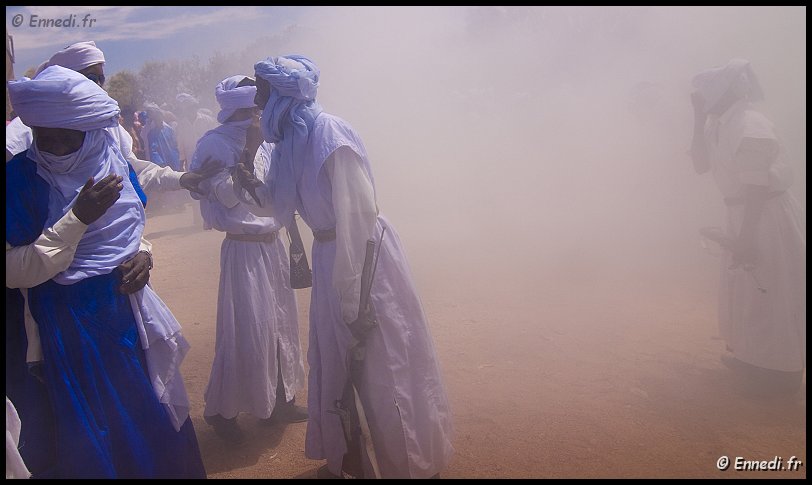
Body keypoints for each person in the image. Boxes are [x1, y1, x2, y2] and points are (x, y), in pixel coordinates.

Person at [230, 55, 454, 478]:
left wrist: (354, 296)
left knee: (386, 368)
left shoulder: (329, 132)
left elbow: (358, 216)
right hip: (332, 257)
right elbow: (278, 205)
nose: (257, 100)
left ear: (281, 91)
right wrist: (248, 180)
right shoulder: (291, 140)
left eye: (261, 89)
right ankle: (351, 461)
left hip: (365, 261)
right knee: (337, 364)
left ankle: (413, 466)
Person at [6, 65, 206, 478]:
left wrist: (144, 255)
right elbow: (14, 271)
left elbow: (130, 229)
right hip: (65, 330)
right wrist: (76, 219)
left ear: (91, 133)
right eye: (46, 138)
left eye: (67, 139)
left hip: (126, 318)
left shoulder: (110, 160)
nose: (54, 148)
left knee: (150, 423)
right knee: (91, 441)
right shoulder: (18, 180)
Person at [190, 75, 307, 444]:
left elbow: (274, 191)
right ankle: (221, 411)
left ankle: (279, 400)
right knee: (246, 330)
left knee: (281, 325)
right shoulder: (214, 144)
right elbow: (226, 197)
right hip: (244, 250)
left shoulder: (267, 139)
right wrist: (248, 151)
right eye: (251, 110)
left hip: (272, 244)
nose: (256, 116)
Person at [689, 58, 806, 396]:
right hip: (745, 214)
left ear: (720, 92)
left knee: (771, 290)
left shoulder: (749, 124)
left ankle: (782, 375)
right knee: (748, 291)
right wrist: (698, 117)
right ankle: (753, 357)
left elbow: (756, 187)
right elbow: (699, 164)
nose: (699, 98)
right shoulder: (721, 122)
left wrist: (747, 237)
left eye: (702, 93)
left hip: (764, 216)